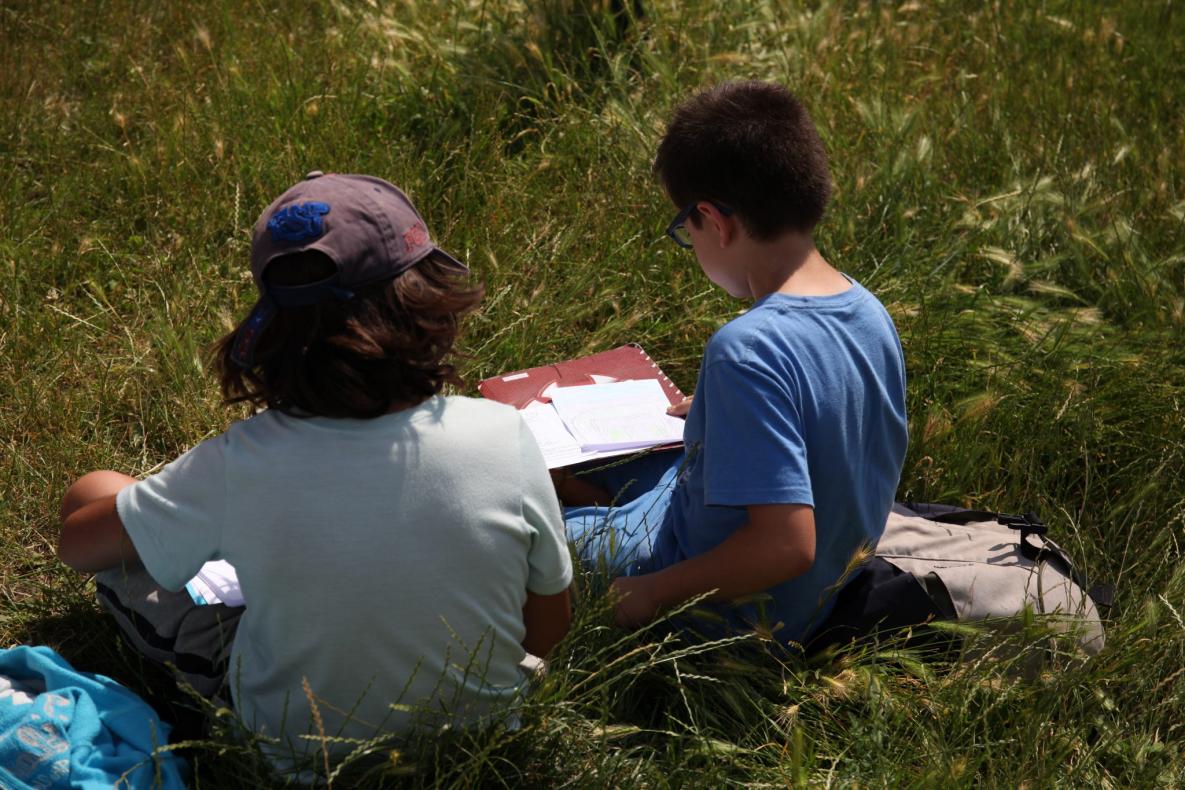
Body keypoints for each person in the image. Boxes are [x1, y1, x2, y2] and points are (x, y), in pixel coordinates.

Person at [57, 172, 573, 769]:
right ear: (431, 305)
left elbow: (77, 545)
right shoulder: (503, 433)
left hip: (298, 748)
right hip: (480, 732)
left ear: (269, 333)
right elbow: (546, 631)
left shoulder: (242, 461)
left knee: (94, 493)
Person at [561, 81, 908, 646]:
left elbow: (785, 545)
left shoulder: (745, 349)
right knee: (624, 468)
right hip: (823, 589)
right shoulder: (867, 309)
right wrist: (726, 414)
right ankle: (580, 494)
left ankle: (574, 507)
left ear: (714, 221)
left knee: (517, 543)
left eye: (684, 230)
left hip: (724, 612)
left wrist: (651, 594)